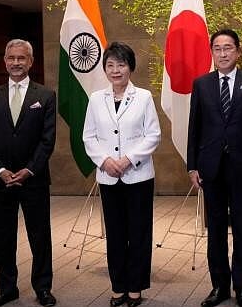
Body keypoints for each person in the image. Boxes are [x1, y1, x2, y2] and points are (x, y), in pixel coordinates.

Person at [187, 29, 242, 307]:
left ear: (238, 51)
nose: (222, 54)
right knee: (216, 230)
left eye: (228, 48)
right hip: (210, 168)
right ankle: (219, 286)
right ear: (212, 52)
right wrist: (192, 166)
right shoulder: (201, 84)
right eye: (217, 49)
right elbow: (194, 128)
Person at [0, 39, 57, 307]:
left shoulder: (45, 96)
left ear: (31, 62)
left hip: (33, 179)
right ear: (4, 60)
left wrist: (29, 170)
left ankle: (43, 288)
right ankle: (7, 288)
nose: (16, 63)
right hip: (1, 181)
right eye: (11, 58)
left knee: (40, 235)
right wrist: (0, 170)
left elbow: (48, 140)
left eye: (21, 58)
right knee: (3, 235)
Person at [83, 42, 161, 307]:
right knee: (115, 234)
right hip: (108, 176)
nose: (116, 70)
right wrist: (105, 161)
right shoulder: (96, 99)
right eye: (110, 65)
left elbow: (153, 135)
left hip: (138, 176)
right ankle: (118, 286)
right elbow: (89, 136)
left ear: (130, 67)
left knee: (138, 232)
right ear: (105, 68)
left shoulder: (144, 97)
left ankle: (136, 287)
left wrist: (128, 160)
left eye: (121, 64)